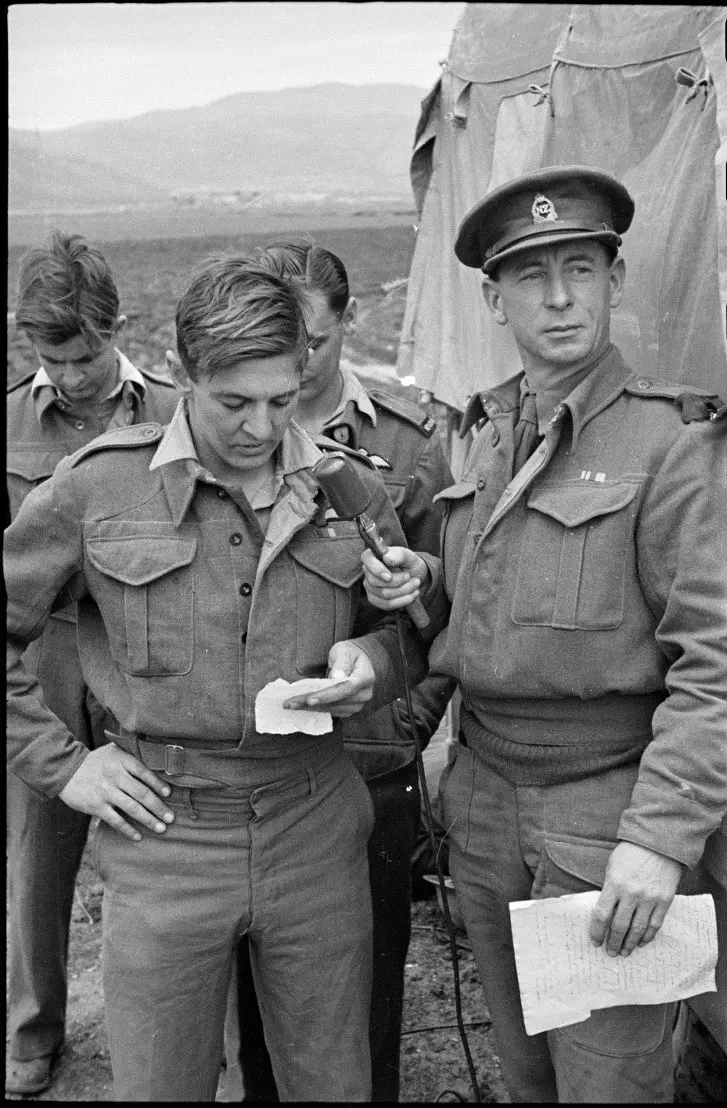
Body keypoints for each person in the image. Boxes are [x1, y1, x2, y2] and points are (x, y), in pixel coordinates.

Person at [5, 254, 431, 1102]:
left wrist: (373, 661)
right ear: (186, 374)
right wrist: (65, 765)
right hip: (166, 833)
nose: (260, 428)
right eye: (234, 402)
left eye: (280, 400)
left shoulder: (345, 485)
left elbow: (410, 634)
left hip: (314, 823)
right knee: (162, 1083)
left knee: (332, 1081)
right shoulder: (100, 487)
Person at [361, 166, 727, 1103]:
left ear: (615, 279)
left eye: (581, 267)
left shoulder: (673, 440)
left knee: (609, 1080)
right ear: (494, 298)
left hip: (602, 811)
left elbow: (718, 660)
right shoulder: (483, 432)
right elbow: (502, 600)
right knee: (526, 1070)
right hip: (483, 801)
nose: (560, 296)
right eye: (532, 276)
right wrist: (425, 586)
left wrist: (658, 839)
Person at [223, 241, 454, 1102]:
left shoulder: (409, 443)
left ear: (343, 327)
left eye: (311, 342)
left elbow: (440, 614)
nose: (295, 360)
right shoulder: (227, 436)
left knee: (366, 1008)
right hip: (259, 774)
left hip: (370, 766)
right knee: (257, 1011)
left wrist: (402, 728)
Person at [5, 231, 178, 1098]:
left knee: (167, 848)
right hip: (38, 662)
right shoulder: (6, 418)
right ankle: (33, 1030)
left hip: (142, 661)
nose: (69, 375)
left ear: (119, 326)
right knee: (36, 858)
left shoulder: (175, 413)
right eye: (49, 356)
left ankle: (179, 1034)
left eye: (83, 354)